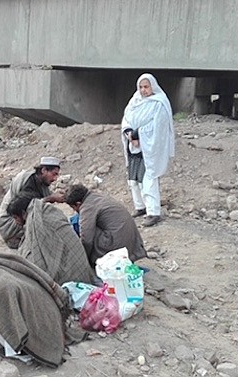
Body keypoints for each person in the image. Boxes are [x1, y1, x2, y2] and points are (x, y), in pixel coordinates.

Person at [121, 73, 175, 227]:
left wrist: (139, 134)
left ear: (153, 86)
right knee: (134, 179)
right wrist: (129, 133)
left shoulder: (160, 103)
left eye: (146, 86)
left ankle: (153, 212)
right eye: (141, 87)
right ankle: (140, 207)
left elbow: (159, 127)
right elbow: (126, 118)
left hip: (149, 147)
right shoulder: (135, 101)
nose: (143, 90)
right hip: (134, 146)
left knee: (148, 179)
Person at [6, 194, 95, 285]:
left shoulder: (37, 222)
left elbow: (37, 258)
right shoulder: (47, 211)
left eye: (16, 218)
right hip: (82, 267)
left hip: (71, 273)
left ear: (23, 213)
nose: (15, 222)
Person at [64, 184, 147, 267]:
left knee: (77, 224)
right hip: (131, 245)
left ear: (78, 204)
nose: (74, 210)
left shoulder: (87, 207)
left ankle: (97, 261)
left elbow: (87, 239)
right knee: (76, 218)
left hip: (116, 245)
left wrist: (83, 258)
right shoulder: (95, 196)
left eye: (73, 207)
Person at [0, 157, 64, 249]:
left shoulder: (41, 184)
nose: (55, 179)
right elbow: (23, 206)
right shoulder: (27, 181)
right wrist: (50, 198)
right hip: (10, 223)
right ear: (44, 170)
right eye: (54, 174)